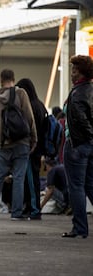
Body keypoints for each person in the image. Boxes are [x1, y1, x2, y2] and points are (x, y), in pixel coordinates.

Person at [0, 69, 37, 220]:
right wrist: (34, 138)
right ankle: (16, 213)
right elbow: (29, 117)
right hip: (21, 142)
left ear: (1, 80)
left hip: (4, 144)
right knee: (19, 178)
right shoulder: (21, 93)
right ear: (13, 79)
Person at [62, 55, 93, 239]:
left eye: (74, 70)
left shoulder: (77, 93)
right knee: (90, 185)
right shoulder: (90, 90)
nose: (71, 74)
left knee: (76, 187)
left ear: (80, 72)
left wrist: (88, 136)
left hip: (77, 145)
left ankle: (80, 227)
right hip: (89, 146)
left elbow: (81, 120)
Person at [16, 78, 48, 220]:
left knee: (30, 179)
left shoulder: (31, 106)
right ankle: (30, 207)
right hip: (38, 147)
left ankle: (34, 209)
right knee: (30, 178)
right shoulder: (40, 105)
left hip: (31, 148)